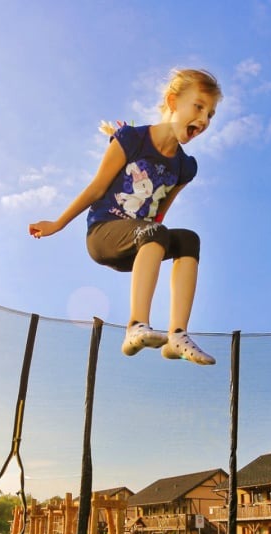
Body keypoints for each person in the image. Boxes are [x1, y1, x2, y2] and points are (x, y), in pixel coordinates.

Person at [29, 68, 222, 365]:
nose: (204, 119)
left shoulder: (185, 167)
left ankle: (177, 336)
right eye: (198, 107)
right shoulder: (132, 139)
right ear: (173, 101)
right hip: (104, 234)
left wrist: (152, 244)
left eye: (210, 114)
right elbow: (97, 188)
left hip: (142, 241)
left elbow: (159, 214)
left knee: (186, 239)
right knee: (153, 231)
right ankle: (136, 326)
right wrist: (58, 223)